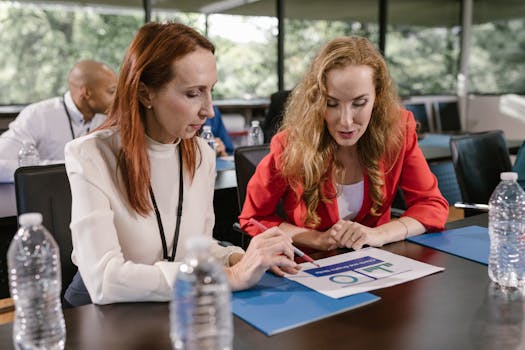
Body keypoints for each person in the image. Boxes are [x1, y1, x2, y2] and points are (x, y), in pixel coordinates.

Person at [63, 22, 299, 307]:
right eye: (193, 93)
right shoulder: (89, 154)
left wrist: (242, 258)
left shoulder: (201, 153)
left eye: (210, 90)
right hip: (101, 314)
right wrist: (230, 275)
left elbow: (195, 246)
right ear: (145, 93)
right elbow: (103, 280)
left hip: (172, 305)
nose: (209, 110)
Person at [239, 36, 449, 252]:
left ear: (378, 96)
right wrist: (316, 239)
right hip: (315, 267)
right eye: (331, 104)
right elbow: (254, 217)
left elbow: (431, 205)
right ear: (316, 100)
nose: (346, 121)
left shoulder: (398, 131)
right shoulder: (290, 145)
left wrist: (379, 234)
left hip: (379, 264)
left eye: (359, 103)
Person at [0, 60, 117, 182]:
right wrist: (69, 166)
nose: (118, 98)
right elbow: (1, 165)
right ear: (86, 93)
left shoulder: (108, 117)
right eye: (112, 92)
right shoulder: (38, 115)